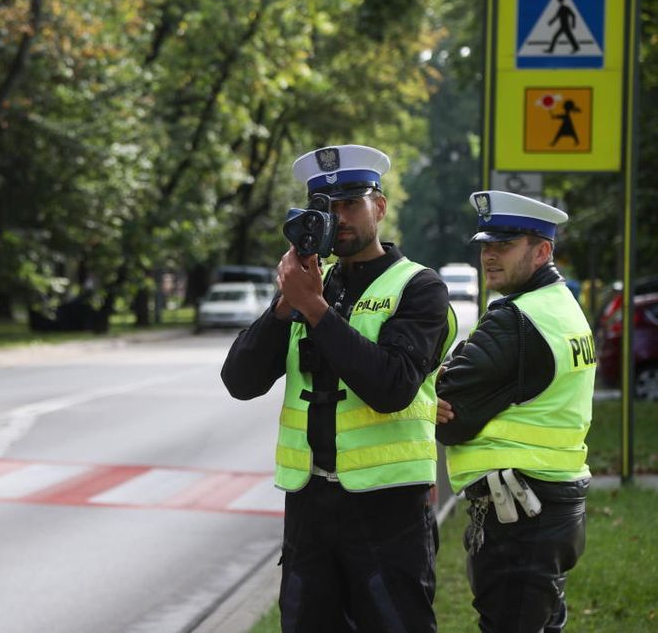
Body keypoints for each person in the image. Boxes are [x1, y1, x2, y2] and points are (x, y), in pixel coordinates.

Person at [221, 144, 455, 633]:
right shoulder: (308, 283)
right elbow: (240, 382)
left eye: (352, 202)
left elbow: (392, 386)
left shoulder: (418, 287)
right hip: (310, 506)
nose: (339, 217)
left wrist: (318, 311)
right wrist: (286, 306)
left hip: (387, 508)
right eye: (324, 208)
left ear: (380, 207)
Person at [436, 190, 593, 632]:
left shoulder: (516, 321)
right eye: (486, 245)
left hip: (521, 520)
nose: (489, 256)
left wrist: (438, 382)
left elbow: (452, 412)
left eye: (503, 246)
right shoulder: (562, 308)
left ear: (542, 251)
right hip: (552, 508)